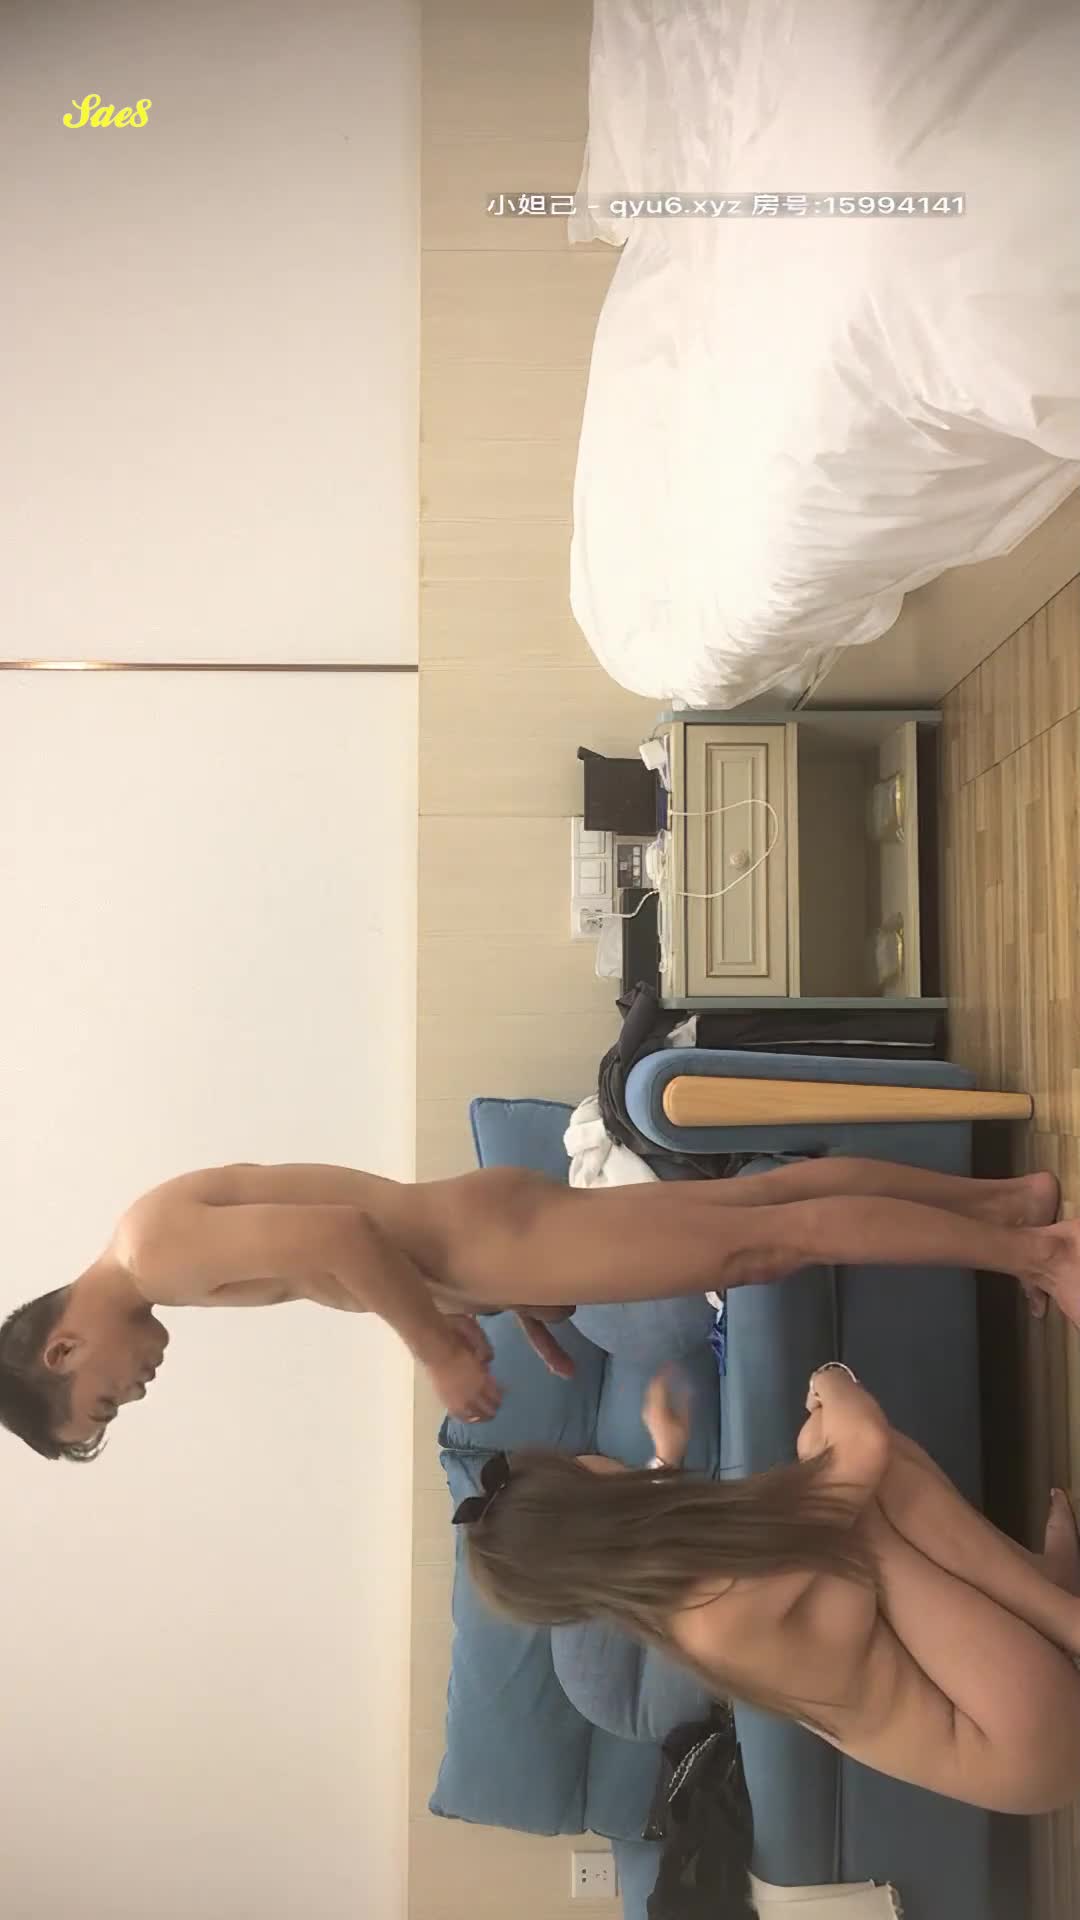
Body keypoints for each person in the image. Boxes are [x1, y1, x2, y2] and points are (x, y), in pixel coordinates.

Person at [1, 1154, 1076, 1459]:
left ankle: (1033, 1247)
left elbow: (340, 1236)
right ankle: (1005, 1207)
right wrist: (497, 1302)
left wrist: (437, 1349)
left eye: (105, 1400)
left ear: (60, 1350)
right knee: (760, 1213)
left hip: (497, 1240)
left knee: (768, 1241)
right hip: (491, 1247)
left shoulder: (154, 1255)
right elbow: (352, 1246)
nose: (134, 1392)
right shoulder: (148, 1246)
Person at [461, 1363, 1080, 1817]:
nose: (586, 1456)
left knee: (844, 1493)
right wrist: (832, 1379)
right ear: (584, 1509)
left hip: (991, 1697)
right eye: (575, 1469)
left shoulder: (661, 1582)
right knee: (861, 1489)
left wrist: (667, 1454)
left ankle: (1047, 1590)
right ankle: (1063, 1615)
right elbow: (862, 1446)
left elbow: (649, 1513)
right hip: (1017, 1734)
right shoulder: (712, 1605)